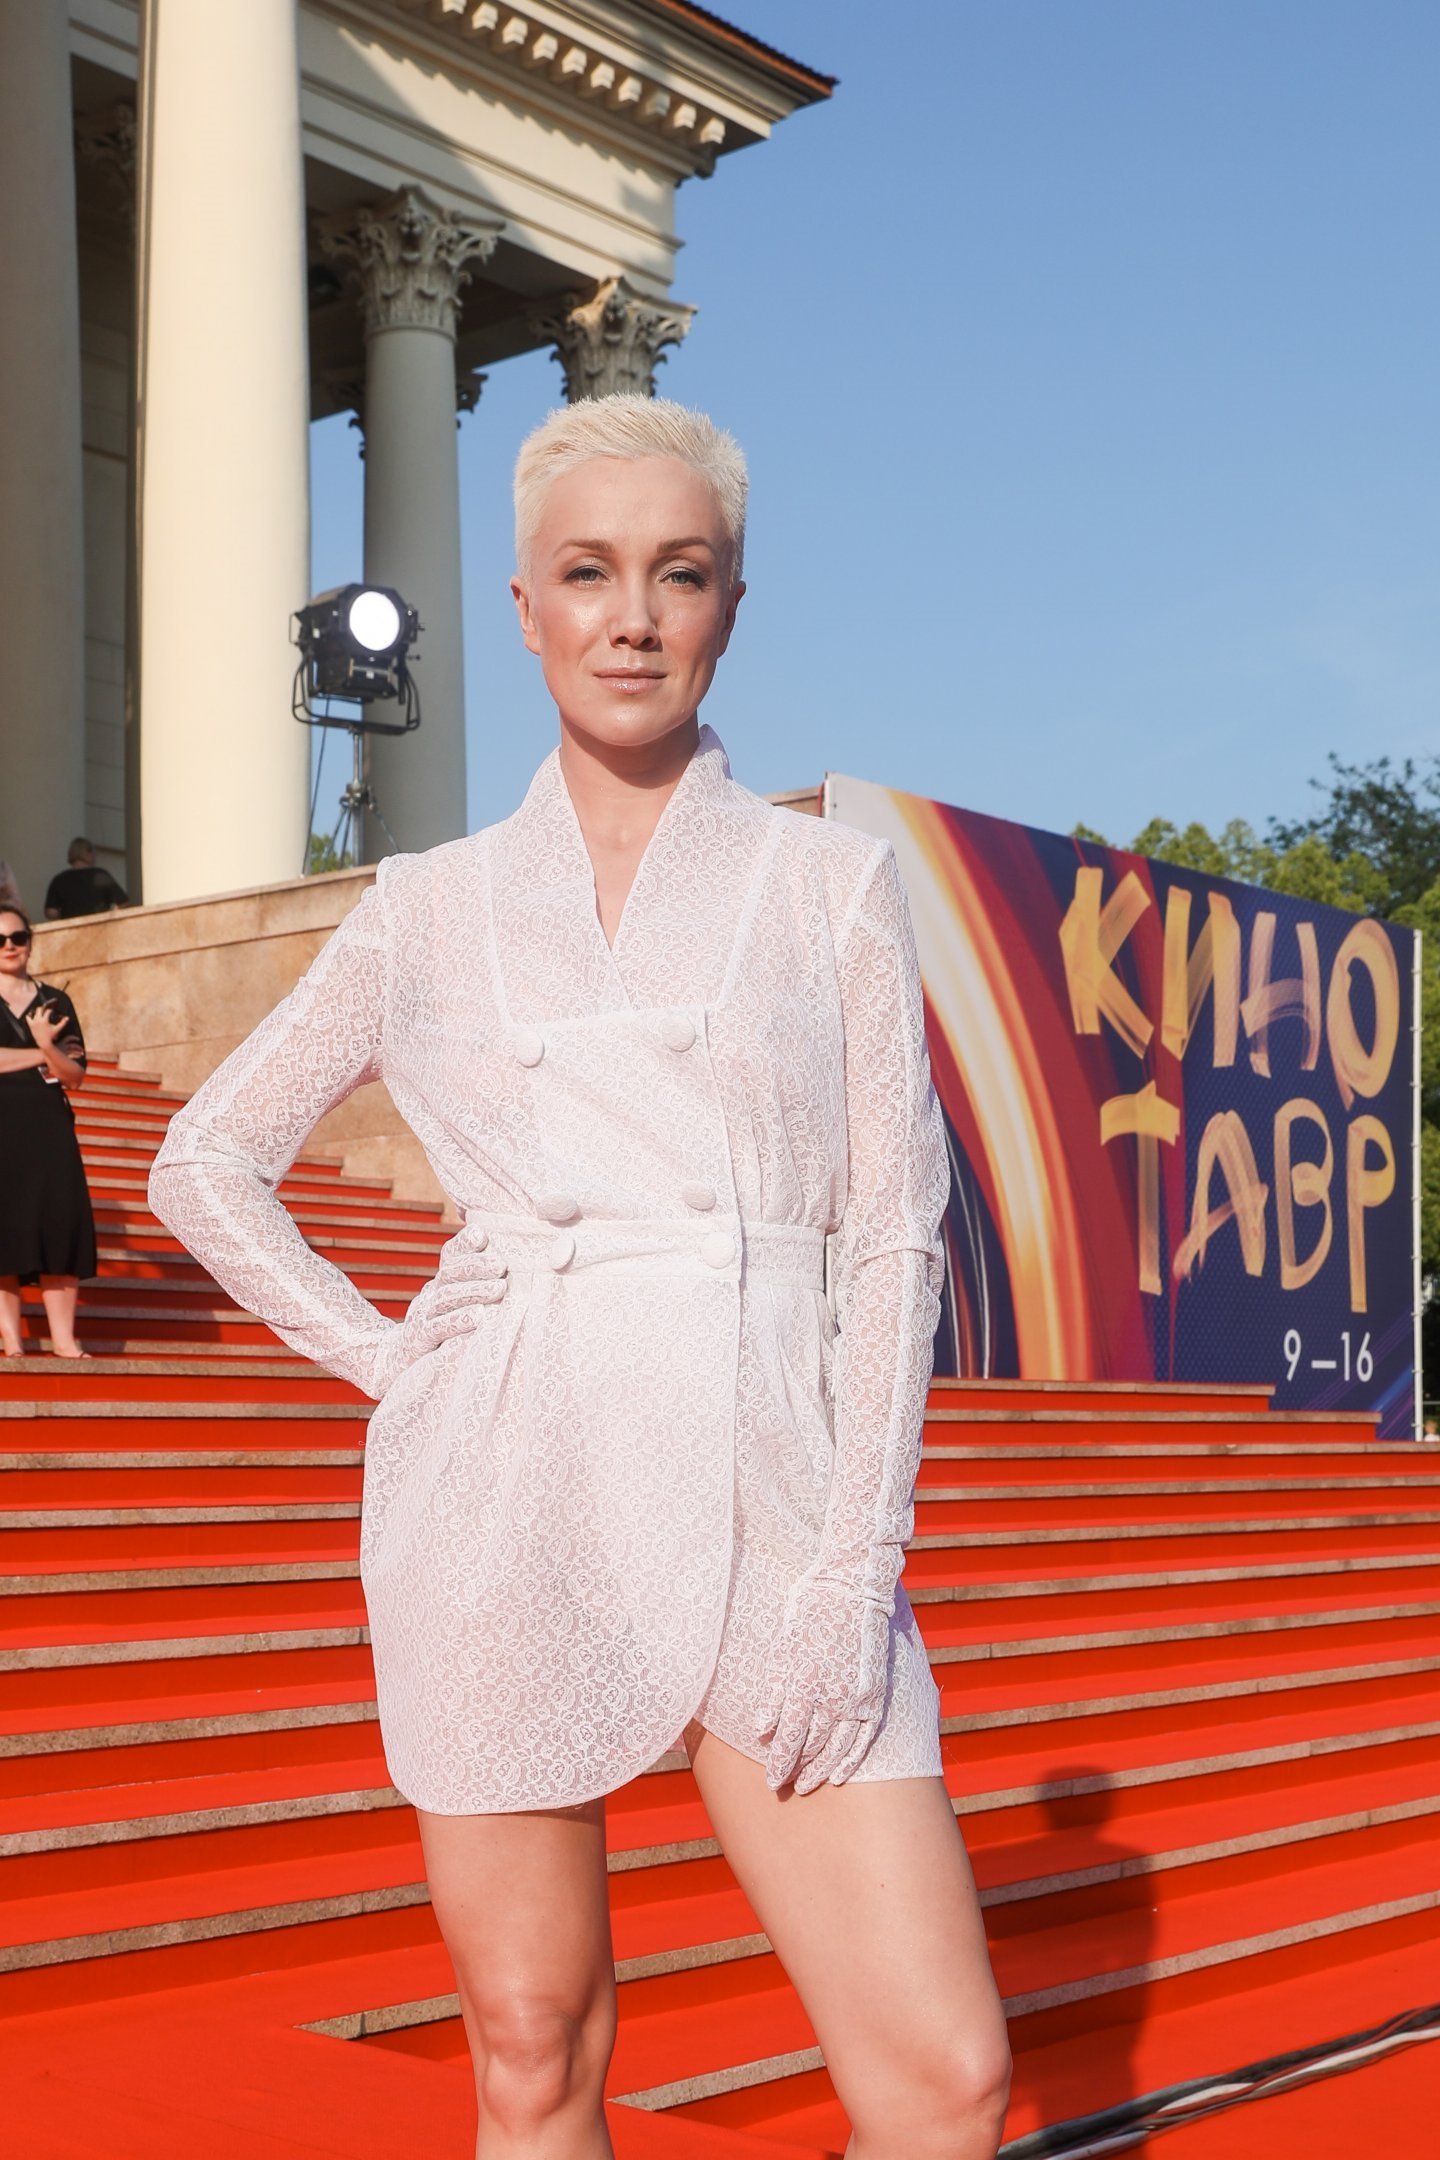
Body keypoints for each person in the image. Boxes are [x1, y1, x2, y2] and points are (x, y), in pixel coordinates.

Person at [149, 397, 1011, 2159]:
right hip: (510, 1488)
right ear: (525, 606)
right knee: (532, 2049)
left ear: (731, 606)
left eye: (678, 575)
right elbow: (202, 1160)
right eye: (589, 574)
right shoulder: (428, 904)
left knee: (944, 2084)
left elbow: (893, 1239)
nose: (633, 617)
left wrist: (859, 1567)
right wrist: (395, 1362)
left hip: (777, 1490)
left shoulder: (828, 884)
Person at [0, 905, 96, 1358]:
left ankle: (64, 1341)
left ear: (30, 942)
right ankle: (12, 1341)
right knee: (4, 1228)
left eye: (17, 938)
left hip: (49, 1125)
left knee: (60, 1223)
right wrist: (45, 1052)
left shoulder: (55, 1001)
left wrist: (43, 1045)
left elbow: (75, 1074)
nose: (9, 947)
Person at [44, 837, 128, 920]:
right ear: (88, 853)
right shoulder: (100, 875)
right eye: (94, 853)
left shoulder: (59, 880)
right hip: (100, 925)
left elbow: (51, 912)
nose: (95, 857)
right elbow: (123, 903)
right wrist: (110, 916)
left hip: (72, 927)